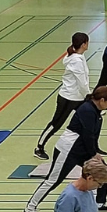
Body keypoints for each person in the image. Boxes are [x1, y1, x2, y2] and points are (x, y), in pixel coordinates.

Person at [23, 86, 107, 212]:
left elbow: (93, 135)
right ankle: (30, 208)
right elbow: (87, 134)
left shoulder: (96, 112)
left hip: (81, 149)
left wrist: (95, 152)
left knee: (103, 170)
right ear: (102, 100)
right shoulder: (87, 110)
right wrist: (93, 154)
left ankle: (100, 203)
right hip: (68, 149)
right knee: (53, 180)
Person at [35, 32, 91, 161]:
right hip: (68, 98)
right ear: (83, 44)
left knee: (89, 121)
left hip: (78, 97)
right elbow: (81, 82)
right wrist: (88, 95)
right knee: (56, 124)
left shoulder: (78, 56)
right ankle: (39, 148)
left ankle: (91, 148)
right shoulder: (76, 60)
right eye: (87, 42)